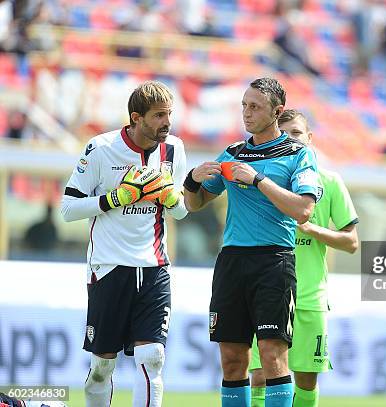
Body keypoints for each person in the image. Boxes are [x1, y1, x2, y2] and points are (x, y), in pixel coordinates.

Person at [183, 78, 320, 407]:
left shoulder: (298, 155)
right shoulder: (233, 153)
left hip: (273, 262)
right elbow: (194, 203)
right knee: (231, 360)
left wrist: (258, 180)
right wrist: (192, 179)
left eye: (255, 106)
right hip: (231, 262)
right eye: (244, 105)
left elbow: (303, 209)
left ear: (277, 111)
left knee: (272, 357)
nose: (246, 113)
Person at [60, 81, 188, 407]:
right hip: (109, 266)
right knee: (102, 366)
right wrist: (114, 198)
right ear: (136, 117)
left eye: (169, 114)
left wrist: (171, 197)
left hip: (155, 265)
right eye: (159, 115)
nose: (167, 122)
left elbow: (182, 210)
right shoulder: (100, 148)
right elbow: (69, 208)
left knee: (153, 356)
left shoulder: (173, 149)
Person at [248, 109, 359, 407]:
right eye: (285, 135)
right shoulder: (265, 181)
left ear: (309, 138)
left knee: (306, 381)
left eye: (297, 133)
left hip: (310, 298)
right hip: (267, 293)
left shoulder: (330, 182)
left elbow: (351, 242)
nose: (291, 140)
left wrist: (311, 228)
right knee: (259, 376)